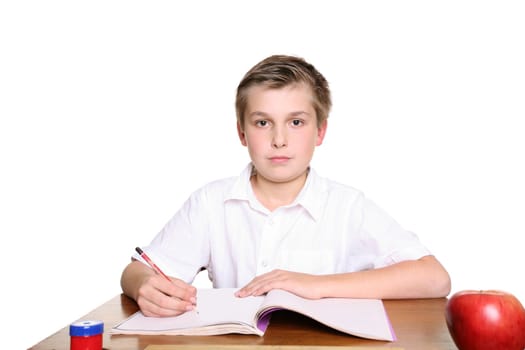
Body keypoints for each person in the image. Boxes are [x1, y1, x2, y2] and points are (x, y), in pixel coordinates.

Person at [120, 54, 451, 317]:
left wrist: (317, 285)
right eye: (263, 123)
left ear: (320, 132)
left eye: (296, 122)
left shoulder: (347, 206)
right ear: (242, 133)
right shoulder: (211, 202)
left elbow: (435, 278)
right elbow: (135, 273)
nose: (279, 140)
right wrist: (144, 286)